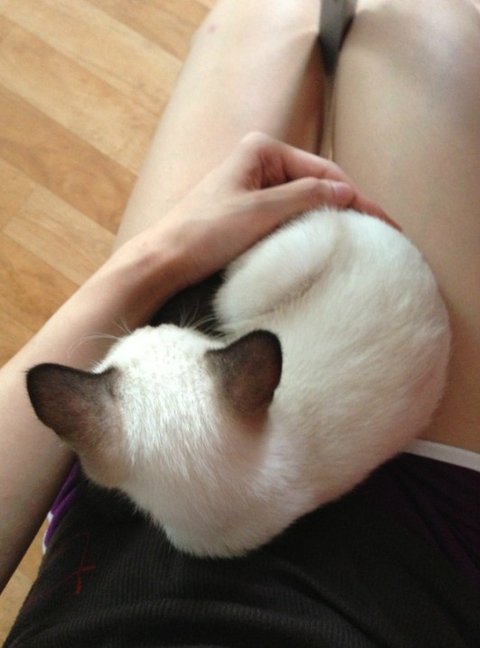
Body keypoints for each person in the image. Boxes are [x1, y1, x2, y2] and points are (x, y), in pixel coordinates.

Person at [1, 1, 479, 645]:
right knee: (420, 21)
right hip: (422, 540)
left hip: (111, 549)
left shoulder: (205, 519)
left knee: (255, 27)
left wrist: (159, 254)